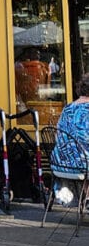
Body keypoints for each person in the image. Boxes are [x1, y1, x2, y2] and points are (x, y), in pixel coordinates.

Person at [49, 73, 89, 205]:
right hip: (81, 164)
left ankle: (87, 197)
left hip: (61, 162)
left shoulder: (68, 108)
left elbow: (58, 136)